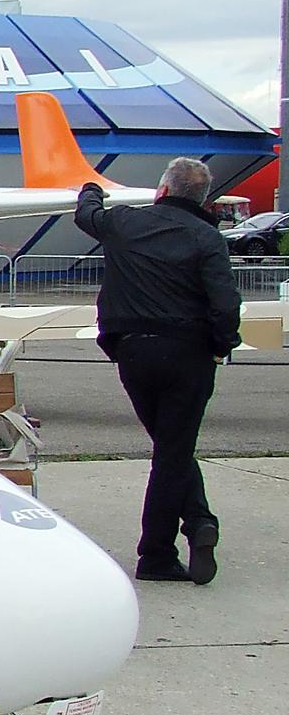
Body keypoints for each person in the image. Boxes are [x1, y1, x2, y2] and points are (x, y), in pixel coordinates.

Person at [75, 158, 242, 585]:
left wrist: (91, 188)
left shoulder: (125, 223)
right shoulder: (208, 238)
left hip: (133, 351)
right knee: (173, 452)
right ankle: (157, 552)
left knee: (171, 449)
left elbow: (86, 215)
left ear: (162, 190)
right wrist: (221, 347)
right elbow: (225, 305)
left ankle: (199, 524)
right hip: (189, 354)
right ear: (202, 198)